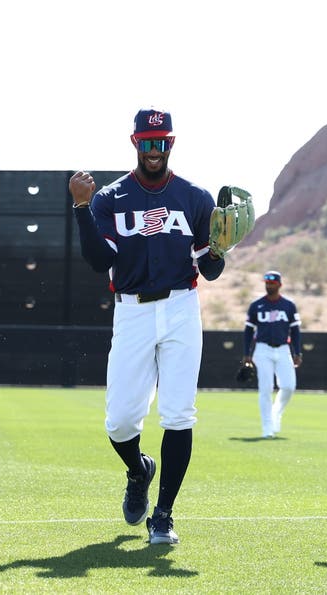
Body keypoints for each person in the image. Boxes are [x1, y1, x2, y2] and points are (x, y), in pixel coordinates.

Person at [68, 108, 226, 545]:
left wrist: (220, 248)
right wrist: (82, 207)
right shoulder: (111, 198)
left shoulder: (195, 197)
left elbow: (209, 271)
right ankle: (139, 470)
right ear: (135, 142)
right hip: (132, 309)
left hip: (180, 307)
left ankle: (164, 516)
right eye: (147, 141)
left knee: (178, 414)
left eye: (162, 142)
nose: (155, 149)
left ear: (171, 144)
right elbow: (100, 260)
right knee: (119, 422)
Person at [242, 270, 302, 439]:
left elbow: (295, 330)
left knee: (289, 386)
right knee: (265, 389)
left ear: (279, 285)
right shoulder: (256, 305)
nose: (269, 285)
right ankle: (267, 427)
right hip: (262, 350)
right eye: (267, 283)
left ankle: (276, 413)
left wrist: (297, 352)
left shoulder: (289, 305)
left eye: (273, 283)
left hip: (284, 349)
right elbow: (248, 331)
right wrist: (247, 354)